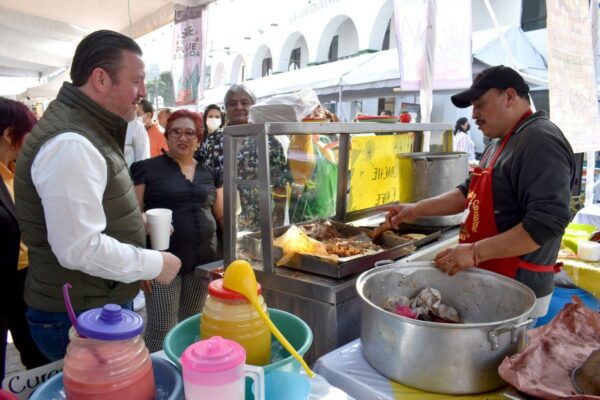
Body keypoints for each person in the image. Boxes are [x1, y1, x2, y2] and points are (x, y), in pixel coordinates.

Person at [14, 30, 181, 361]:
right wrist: (154, 264)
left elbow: (85, 214)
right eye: (137, 81)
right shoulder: (71, 142)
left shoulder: (90, 130)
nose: (144, 93)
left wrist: (137, 222)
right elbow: (79, 248)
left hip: (89, 303)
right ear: (101, 79)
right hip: (75, 315)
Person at [384, 65, 575, 318]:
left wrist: (476, 252)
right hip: (491, 277)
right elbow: (467, 192)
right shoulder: (499, 143)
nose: (473, 115)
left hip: (519, 286)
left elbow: (545, 224)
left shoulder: (540, 139)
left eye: (480, 104)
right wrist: (415, 210)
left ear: (509, 96)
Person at [131, 110, 223, 352]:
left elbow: (221, 215)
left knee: (191, 324)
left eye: (190, 133)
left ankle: (185, 373)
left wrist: (232, 256)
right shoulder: (145, 169)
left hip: (202, 262)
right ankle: (156, 377)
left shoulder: (210, 172)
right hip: (160, 263)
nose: (183, 138)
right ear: (167, 135)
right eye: (176, 132)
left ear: (199, 139)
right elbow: (133, 217)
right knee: (161, 328)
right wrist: (140, 264)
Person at [195, 84, 290, 231]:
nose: (239, 107)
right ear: (226, 109)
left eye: (245, 103)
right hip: (220, 224)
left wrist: (277, 217)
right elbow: (201, 179)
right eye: (232, 104)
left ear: (253, 107)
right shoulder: (211, 141)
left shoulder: (268, 141)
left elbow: (281, 182)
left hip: (260, 226)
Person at [0, 98, 49, 382]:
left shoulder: (15, 170)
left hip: (25, 278)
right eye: (28, 133)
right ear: (9, 134)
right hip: (7, 280)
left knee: (34, 353)